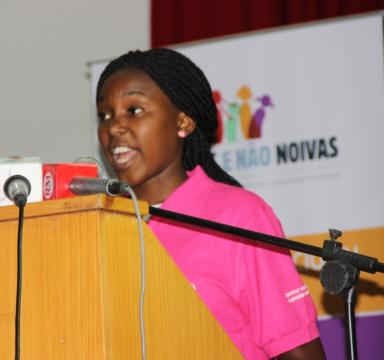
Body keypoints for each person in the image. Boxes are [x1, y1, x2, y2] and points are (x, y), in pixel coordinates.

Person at [95, 48, 325, 359]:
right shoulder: (100, 223)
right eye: (105, 115)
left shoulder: (239, 216)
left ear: (184, 122)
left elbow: (300, 353)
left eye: (133, 110)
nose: (113, 128)